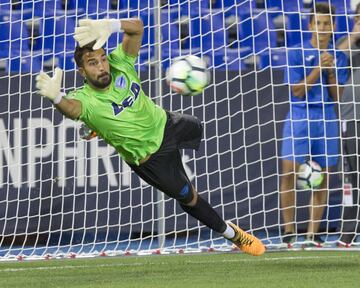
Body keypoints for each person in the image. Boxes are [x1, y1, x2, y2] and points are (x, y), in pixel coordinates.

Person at [35, 18, 265, 256]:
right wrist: (56, 98)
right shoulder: (84, 99)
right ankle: (234, 235)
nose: (102, 66)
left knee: (198, 126)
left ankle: (93, 128)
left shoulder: (120, 62)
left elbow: (137, 28)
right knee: (189, 198)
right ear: (82, 71)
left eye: (102, 58)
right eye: (93, 63)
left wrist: (110, 26)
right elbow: (72, 109)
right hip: (151, 159)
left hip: (166, 123)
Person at [280, 3, 349, 246]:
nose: (322, 27)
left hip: (326, 119)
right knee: (289, 173)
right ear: (310, 26)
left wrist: (330, 70)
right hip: (299, 118)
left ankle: (312, 233)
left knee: (323, 176)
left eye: (327, 23)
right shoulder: (296, 52)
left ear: (333, 27)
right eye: (318, 23)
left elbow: (337, 95)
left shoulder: (338, 57)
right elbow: (297, 91)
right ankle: (289, 231)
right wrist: (319, 67)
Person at [336, 2, 360, 246]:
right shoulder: (348, 43)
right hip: (352, 119)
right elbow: (334, 58)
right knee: (351, 178)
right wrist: (354, 35)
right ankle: (348, 232)